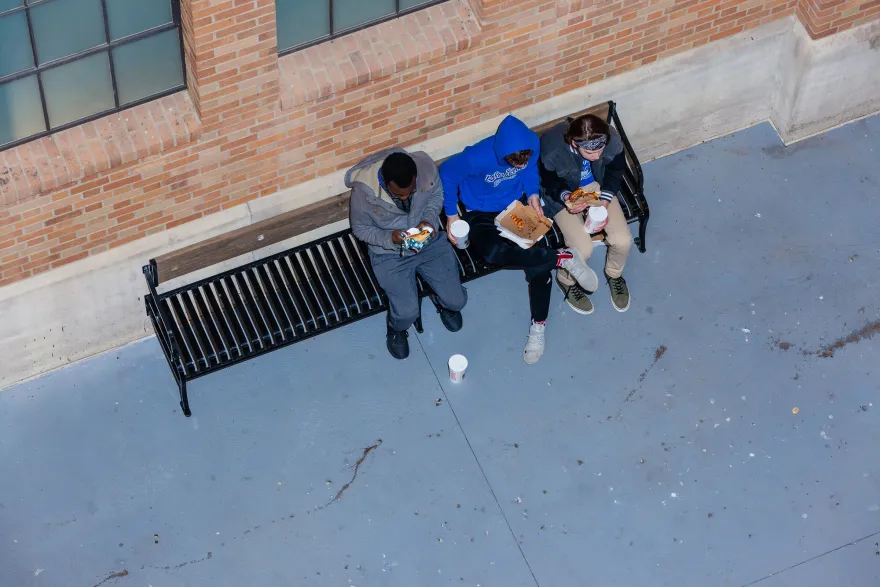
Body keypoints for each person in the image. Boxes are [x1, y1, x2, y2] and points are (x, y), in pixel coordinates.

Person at [440, 115, 598, 365]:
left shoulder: (531, 145)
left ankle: (538, 326)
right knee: (492, 253)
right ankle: (562, 257)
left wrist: (533, 193)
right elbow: (447, 173)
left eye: (523, 161)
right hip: (479, 211)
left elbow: (530, 171)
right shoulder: (476, 157)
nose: (520, 166)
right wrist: (451, 214)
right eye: (514, 163)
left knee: (540, 269)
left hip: (515, 206)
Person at [348, 149, 467, 360]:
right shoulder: (363, 193)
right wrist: (390, 238)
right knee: (406, 313)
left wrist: (428, 220)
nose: (404, 198)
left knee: (457, 301)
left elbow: (436, 195)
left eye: (409, 193)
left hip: (428, 241)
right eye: (399, 195)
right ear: (384, 181)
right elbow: (360, 229)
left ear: (415, 176)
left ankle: (443, 302)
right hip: (389, 253)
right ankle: (396, 328)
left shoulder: (425, 168)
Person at [539, 113, 632, 314]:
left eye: (600, 150)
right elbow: (548, 181)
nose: (597, 156)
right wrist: (566, 198)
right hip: (564, 192)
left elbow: (615, 171)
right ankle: (566, 280)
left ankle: (614, 274)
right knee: (582, 249)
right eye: (590, 152)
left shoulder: (611, 141)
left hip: (596, 186)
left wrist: (605, 201)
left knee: (622, 240)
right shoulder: (552, 150)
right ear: (574, 143)